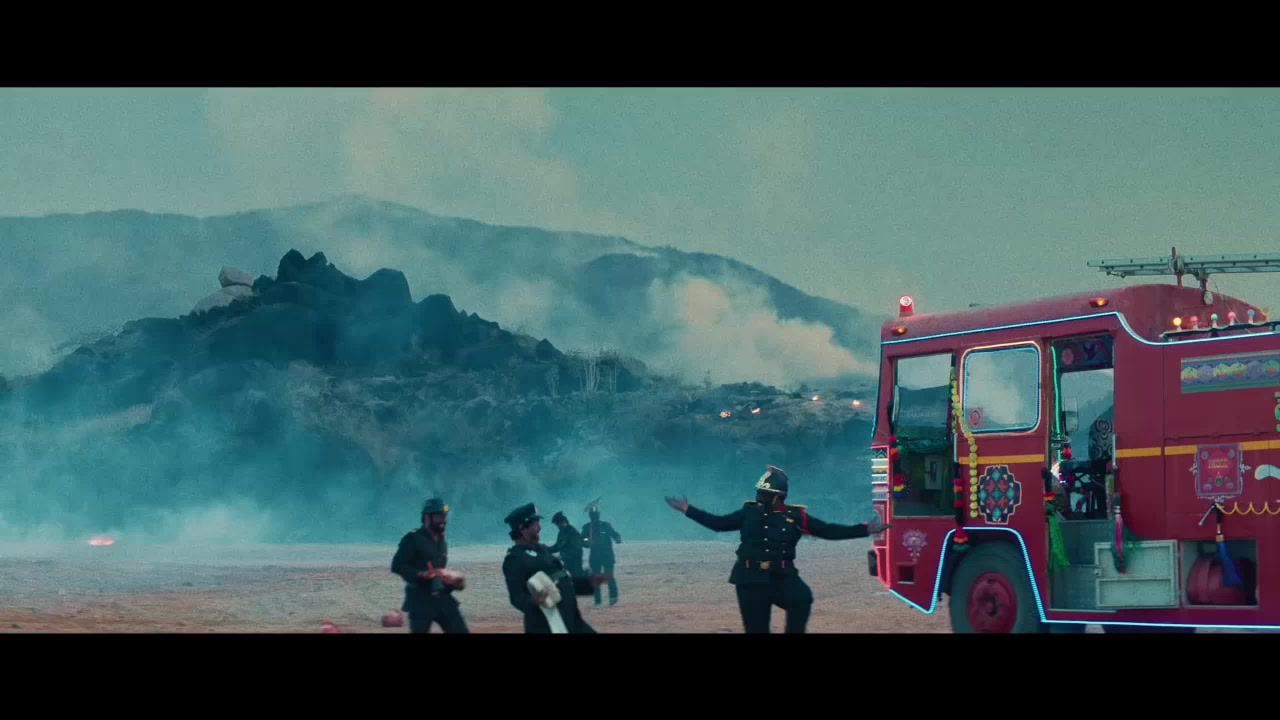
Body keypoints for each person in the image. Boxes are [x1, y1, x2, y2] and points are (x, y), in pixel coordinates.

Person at [665, 465, 891, 634]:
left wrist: (864, 529)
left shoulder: (796, 516)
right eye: (759, 493)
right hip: (749, 579)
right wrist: (688, 510)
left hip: (781, 576)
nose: (759, 497)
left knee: (802, 598)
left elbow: (828, 530)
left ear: (777, 497)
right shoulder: (748, 512)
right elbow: (719, 523)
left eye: (764, 494)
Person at [501, 502, 609, 633]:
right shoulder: (514, 559)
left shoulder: (542, 550)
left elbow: (561, 581)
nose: (539, 528)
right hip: (548, 624)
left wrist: (587, 583)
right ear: (522, 528)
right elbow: (517, 597)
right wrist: (534, 601)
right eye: (536, 524)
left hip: (572, 621)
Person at [390, 497, 469, 634]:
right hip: (420, 599)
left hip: (442, 597)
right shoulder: (413, 538)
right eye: (439, 516)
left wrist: (452, 581)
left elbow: (439, 570)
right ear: (427, 517)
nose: (443, 520)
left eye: (444, 516)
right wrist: (421, 574)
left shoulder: (441, 542)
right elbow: (397, 565)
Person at [581, 501, 622, 607]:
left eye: (595, 515)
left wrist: (617, 538)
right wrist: (587, 543)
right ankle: (598, 601)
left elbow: (614, 534)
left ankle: (613, 598)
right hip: (595, 556)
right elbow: (582, 540)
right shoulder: (587, 527)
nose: (594, 517)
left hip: (607, 555)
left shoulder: (606, 525)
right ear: (590, 516)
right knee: (595, 578)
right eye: (592, 515)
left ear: (598, 515)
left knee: (609, 577)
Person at [548, 511, 585, 578]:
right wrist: (546, 549)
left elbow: (577, 549)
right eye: (556, 524)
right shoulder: (561, 533)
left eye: (557, 523)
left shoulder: (572, 532)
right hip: (566, 563)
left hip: (575, 564)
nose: (557, 526)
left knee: (577, 579)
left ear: (562, 521)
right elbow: (558, 546)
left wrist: (562, 556)